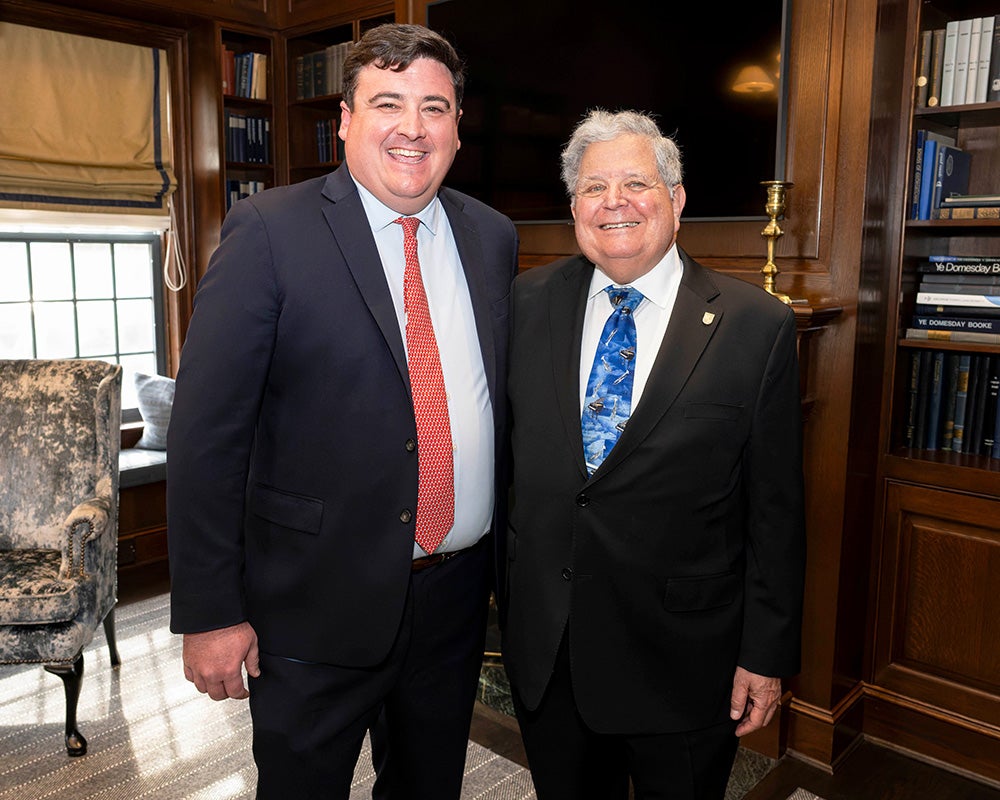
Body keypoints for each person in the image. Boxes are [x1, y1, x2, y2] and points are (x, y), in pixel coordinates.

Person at [167, 23, 518, 799]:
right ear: (346, 122)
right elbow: (206, 437)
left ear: (458, 126)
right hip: (311, 607)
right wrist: (211, 611)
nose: (412, 127)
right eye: (387, 103)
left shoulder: (492, 237)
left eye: (435, 106)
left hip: (454, 600)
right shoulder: (267, 230)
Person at [502, 109, 806, 800]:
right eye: (592, 187)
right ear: (574, 206)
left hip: (686, 664)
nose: (613, 202)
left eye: (636, 182)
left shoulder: (755, 324)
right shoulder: (526, 301)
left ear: (677, 199)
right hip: (552, 654)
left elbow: (776, 511)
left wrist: (765, 657)